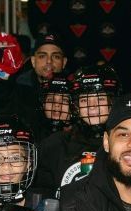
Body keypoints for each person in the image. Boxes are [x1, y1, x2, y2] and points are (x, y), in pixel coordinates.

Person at [35, 65, 121, 197]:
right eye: (84, 100)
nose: (92, 106)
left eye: (100, 99)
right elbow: (41, 194)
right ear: (76, 106)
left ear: (112, 103)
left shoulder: (124, 144)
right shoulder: (55, 144)